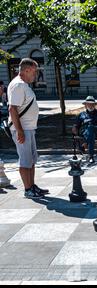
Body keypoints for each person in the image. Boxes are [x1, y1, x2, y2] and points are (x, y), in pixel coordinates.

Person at [8, 58, 48, 199]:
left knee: (31, 159)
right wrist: (19, 131)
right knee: (25, 161)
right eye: (34, 71)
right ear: (26, 70)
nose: (35, 75)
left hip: (28, 129)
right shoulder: (18, 85)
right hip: (22, 129)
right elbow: (12, 109)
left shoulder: (23, 85)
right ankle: (28, 189)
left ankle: (32, 186)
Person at [71, 96, 97, 164]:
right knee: (90, 133)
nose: (90, 105)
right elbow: (76, 125)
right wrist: (74, 128)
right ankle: (91, 156)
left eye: (92, 104)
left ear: (94, 105)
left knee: (91, 128)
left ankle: (84, 146)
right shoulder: (81, 114)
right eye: (88, 104)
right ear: (85, 105)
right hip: (85, 132)